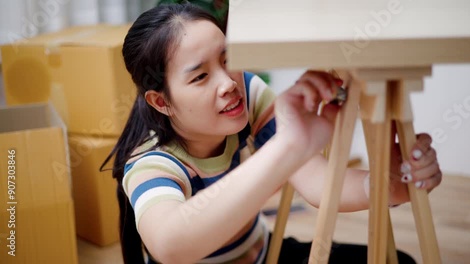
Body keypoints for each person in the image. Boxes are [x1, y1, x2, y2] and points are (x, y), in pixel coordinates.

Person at [101, 3, 442, 264]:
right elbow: (170, 245)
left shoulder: (246, 92)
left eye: (227, 59)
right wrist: (288, 146)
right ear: (161, 101)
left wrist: (393, 181)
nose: (227, 83)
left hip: (265, 254)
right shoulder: (150, 161)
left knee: (398, 261)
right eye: (200, 77)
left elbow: (318, 183)